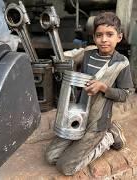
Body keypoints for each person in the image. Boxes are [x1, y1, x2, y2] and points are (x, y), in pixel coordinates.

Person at [45, 12, 135, 176]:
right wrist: (60, 59)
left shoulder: (121, 63)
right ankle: (82, 142)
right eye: (99, 35)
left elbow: (126, 94)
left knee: (65, 167)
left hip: (96, 123)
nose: (104, 39)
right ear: (94, 37)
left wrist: (103, 88)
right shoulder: (88, 54)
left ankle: (108, 136)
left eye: (110, 35)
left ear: (119, 37)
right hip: (78, 117)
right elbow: (67, 59)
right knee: (51, 157)